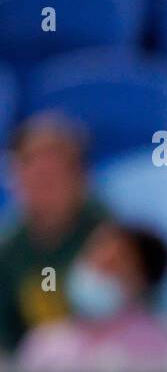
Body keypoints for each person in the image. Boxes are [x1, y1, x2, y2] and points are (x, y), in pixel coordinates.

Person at [0, 113, 108, 353]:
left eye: (53, 177)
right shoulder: (8, 247)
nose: (44, 190)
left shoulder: (108, 237)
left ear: (80, 179)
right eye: (35, 177)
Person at [17, 222, 167, 372]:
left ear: (140, 281)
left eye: (112, 264)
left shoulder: (156, 347)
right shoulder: (43, 344)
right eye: (93, 255)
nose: (97, 269)